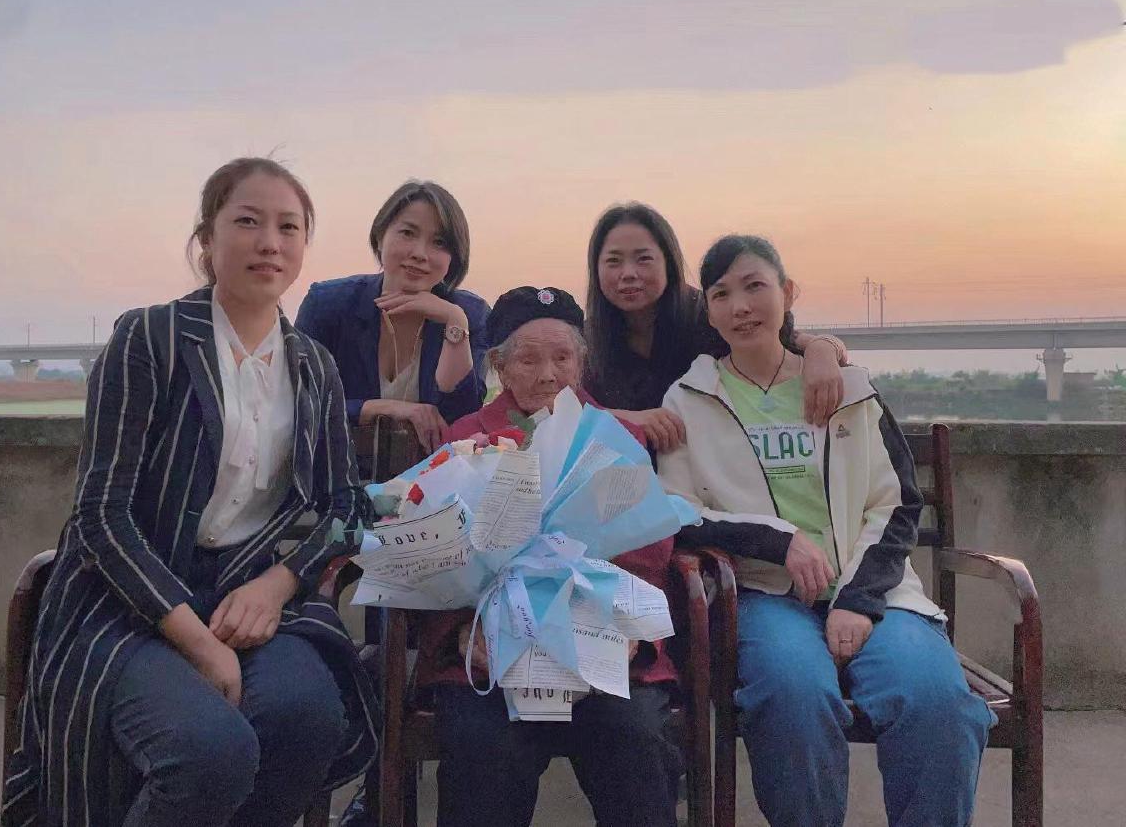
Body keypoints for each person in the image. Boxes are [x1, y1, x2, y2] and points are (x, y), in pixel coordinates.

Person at [2, 158, 378, 827]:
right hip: (127, 601)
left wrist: (276, 587)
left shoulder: (313, 366)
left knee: (308, 716)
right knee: (208, 750)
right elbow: (99, 514)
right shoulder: (151, 338)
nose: (270, 243)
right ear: (207, 238)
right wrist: (201, 645)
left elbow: (344, 506)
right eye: (248, 221)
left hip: (244, 597)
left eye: (289, 227)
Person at [658, 235, 994, 827]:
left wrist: (858, 601)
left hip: (879, 595)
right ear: (708, 312)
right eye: (722, 294)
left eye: (755, 286)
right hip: (765, 596)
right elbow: (678, 510)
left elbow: (897, 503)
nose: (741, 306)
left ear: (788, 293)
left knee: (938, 701)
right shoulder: (688, 399)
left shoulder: (850, 390)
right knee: (791, 698)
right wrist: (778, 541)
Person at [419, 286, 683, 827]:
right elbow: (437, 551)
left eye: (563, 357)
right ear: (499, 367)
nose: (548, 375)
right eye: (528, 359)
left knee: (632, 735)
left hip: (603, 647)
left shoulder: (617, 435)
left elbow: (649, 549)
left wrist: (624, 634)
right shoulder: (467, 437)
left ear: (581, 363)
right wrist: (465, 636)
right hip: (493, 651)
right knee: (484, 745)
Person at [582, 203, 849, 453]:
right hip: (623, 479)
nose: (628, 273)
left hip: (712, 471)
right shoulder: (586, 341)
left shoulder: (707, 314)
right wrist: (623, 419)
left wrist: (823, 350)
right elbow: (562, 414)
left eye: (643, 259)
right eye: (613, 261)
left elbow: (789, 340)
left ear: (669, 263)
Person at [295, 180, 490, 453]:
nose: (419, 254)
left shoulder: (470, 313)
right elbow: (298, 403)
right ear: (380, 235)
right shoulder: (328, 304)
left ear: (454, 257)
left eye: (439, 242)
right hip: (337, 472)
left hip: (433, 475)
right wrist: (381, 408)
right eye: (408, 233)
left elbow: (462, 418)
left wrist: (454, 321)